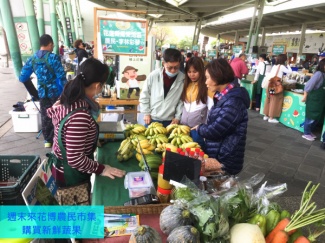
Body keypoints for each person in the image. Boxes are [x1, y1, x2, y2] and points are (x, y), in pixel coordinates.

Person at [47, 58, 125, 194]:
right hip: (69, 177)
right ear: (97, 86)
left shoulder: (68, 98)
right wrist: (102, 169)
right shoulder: (80, 116)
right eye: (103, 85)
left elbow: (70, 136)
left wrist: (89, 140)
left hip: (60, 167)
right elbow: (75, 158)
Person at [192, 59, 250, 175]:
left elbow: (217, 130)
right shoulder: (223, 97)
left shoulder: (233, 102)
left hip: (227, 156)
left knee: (222, 189)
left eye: (208, 78)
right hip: (220, 152)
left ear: (217, 76)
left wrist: (200, 128)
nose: (206, 82)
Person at [19, 34, 67, 148]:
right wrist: (66, 91)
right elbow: (61, 77)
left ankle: (47, 141)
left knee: (45, 116)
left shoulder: (32, 58)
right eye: (52, 45)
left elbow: (22, 77)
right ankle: (59, 139)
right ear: (50, 44)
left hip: (42, 93)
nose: (52, 47)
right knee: (58, 114)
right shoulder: (53, 58)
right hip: (56, 92)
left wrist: (34, 92)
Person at [139, 48, 185, 127]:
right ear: (163, 63)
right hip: (152, 118)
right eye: (170, 67)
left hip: (171, 121)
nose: (173, 70)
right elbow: (145, 95)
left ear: (180, 64)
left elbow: (182, 100)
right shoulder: (154, 75)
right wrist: (146, 113)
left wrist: (178, 116)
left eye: (176, 67)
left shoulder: (183, 79)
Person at [180, 57, 208, 149]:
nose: (192, 75)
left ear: (201, 71)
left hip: (198, 128)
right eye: (189, 72)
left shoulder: (206, 86)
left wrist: (206, 125)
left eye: (195, 72)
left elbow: (211, 108)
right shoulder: (186, 84)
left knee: (198, 148)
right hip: (184, 126)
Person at [263, 54, 292, 123]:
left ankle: (266, 115)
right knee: (274, 100)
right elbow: (290, 72)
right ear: (284, 60)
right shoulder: (281, 66)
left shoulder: (274, 66)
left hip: (270, 85)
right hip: (276, 86)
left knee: (269, 99)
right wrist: (288, 64)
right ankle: (271, 117)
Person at [301, 59, 325, 142]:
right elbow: (308, 86)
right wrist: (305, 96)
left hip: (320, 100)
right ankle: (306, 133)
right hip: (314, 100)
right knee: (311, 117)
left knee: (316, 118)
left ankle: (309, 132)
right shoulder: (318, 74)